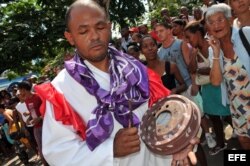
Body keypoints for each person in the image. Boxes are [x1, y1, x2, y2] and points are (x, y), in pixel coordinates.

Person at [34, 0, 199, 165]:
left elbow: (162, 114)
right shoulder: (62, 89)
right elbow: (58, 153)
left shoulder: (136, 69)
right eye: (83, 31)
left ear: (109, 26)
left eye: (100, 27)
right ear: (70, 37)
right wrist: (109, 150)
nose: (95, 36)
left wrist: (177, 145)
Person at [206, 3, 250, 149]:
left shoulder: (246, 34)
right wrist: (217, 54)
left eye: (220, 20)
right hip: (237, 106)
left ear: (229, 19)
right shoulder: (213, 49)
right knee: (244, 141)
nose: (216, 25)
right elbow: (216, 81)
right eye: (211, 22)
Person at [184, 21, 232, 155]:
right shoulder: (195, 51)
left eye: (189, 37)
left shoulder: (212, 46)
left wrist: (201, 70)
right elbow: (192, 69)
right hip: (207, 89)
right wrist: (193, 56)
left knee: (228, 115)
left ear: (198, 34)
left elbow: (217, 70)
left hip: (219, 87)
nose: (187, 40)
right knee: (214, 117)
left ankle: (243, 135)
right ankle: (221, 143)